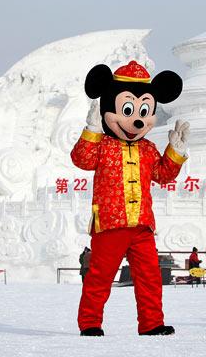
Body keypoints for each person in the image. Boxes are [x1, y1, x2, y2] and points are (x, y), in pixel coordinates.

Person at [72, 61, 189, 336]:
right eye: (128, 110)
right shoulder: (101, 145)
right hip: (110, 224)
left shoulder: (147, 148)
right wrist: (91, 131)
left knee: (149, 277)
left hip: (142, 226)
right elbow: (81, 159)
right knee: (100, 277)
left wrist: (176, 151)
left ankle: (151, 323)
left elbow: (162, 175)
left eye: (144, 112)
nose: (137, 120)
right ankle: (90, 323)